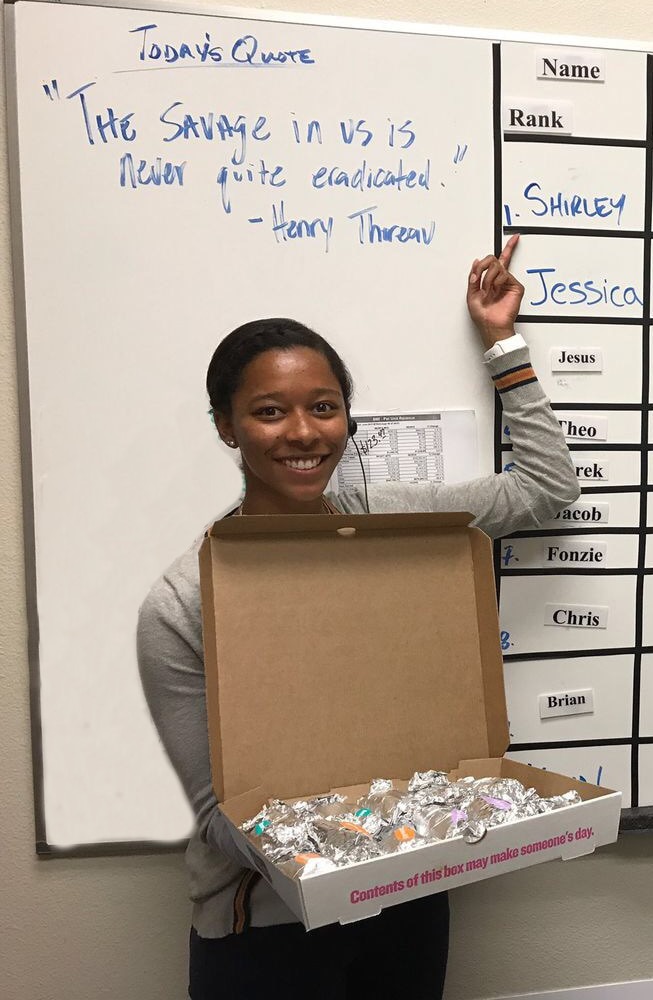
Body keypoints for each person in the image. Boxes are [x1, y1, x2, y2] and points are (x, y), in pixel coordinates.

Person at [137, 235, 579, 999]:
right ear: (226, 426)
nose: (304, 433)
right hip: (266, 927)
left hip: (409, 900)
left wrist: (501, 341)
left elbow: (546, 487)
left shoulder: (395, 525)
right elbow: (218, 818)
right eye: (269, 412)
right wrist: (361, 845)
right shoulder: (183, 605)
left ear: (346, 416)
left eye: (323, 407)